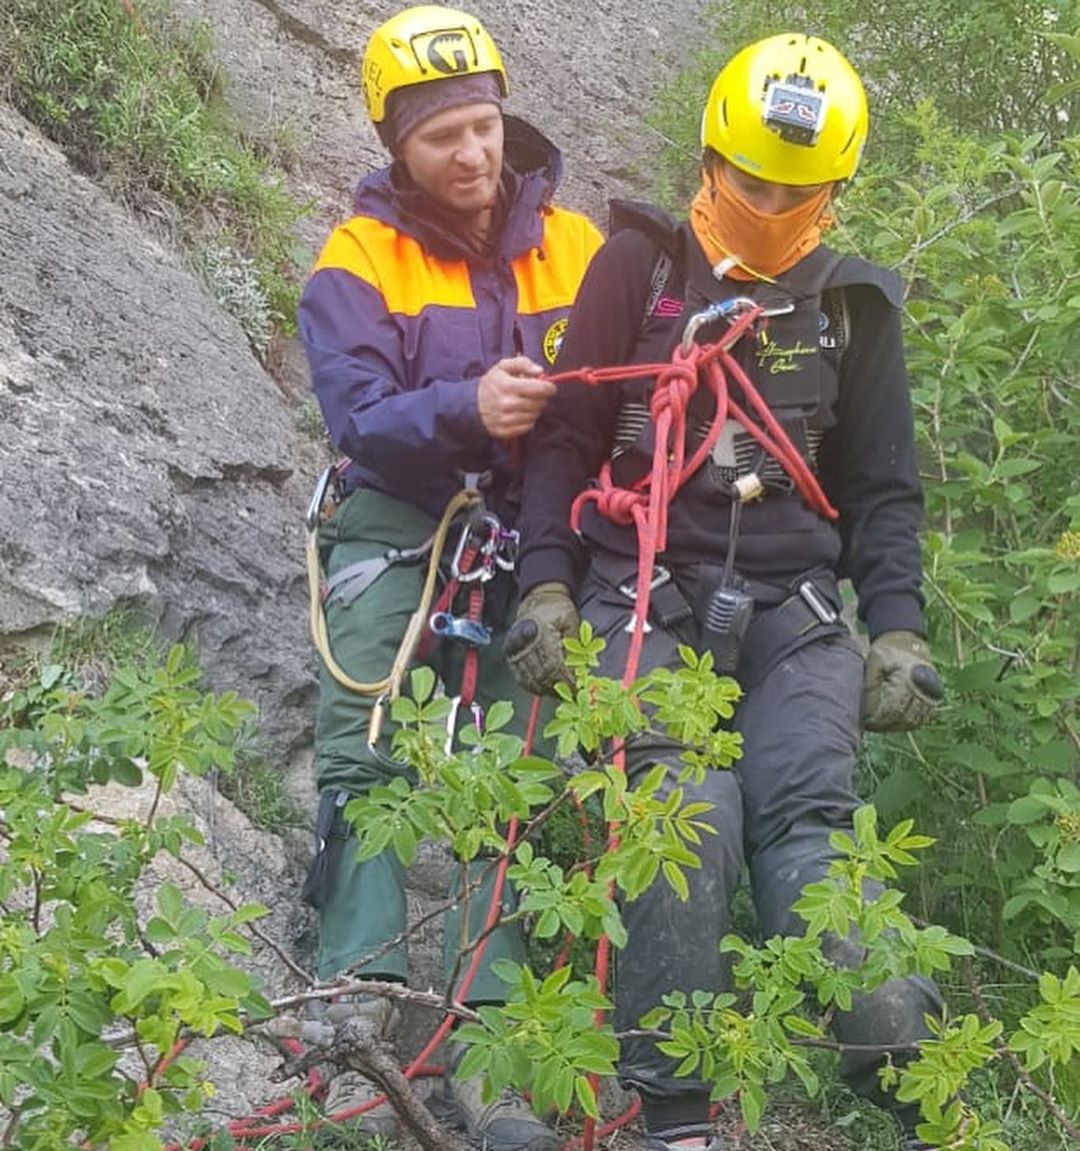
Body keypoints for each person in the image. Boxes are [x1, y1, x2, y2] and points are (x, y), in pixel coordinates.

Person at [507, 32, 945, 1151]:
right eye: (751, 178)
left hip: (796, 617)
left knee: (808, 833)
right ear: (709, 155)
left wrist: (895, 627)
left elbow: (884, 491)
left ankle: (907, 1071)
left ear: (836, 186)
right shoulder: (637, 269)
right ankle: (676, 1113)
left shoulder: (856, 309)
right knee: (684, 814)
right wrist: (546, 586)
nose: (768, 201)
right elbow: (563, 435)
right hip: (645, 587)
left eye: (797, 188)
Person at [297, 6, 602, 1147]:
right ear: (397, 146)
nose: (472, 155)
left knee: (507, 769)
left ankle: (495, 1048)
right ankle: (353, 1011)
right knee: (364, 752)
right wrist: (466, 409)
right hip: (397, 515)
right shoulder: (359, 258)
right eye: (442, 139)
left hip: (534, 529)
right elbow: (359, 416)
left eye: (482, 126)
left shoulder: (579, 247)